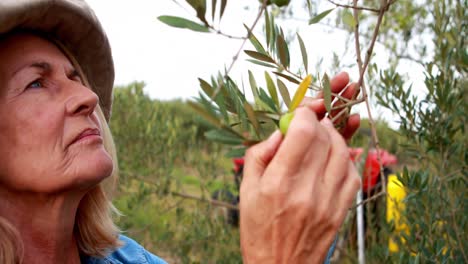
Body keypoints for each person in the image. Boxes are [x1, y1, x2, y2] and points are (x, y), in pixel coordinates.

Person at [0, 0, 361, 263]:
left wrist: (297, 210)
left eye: (75, 77)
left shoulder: (128, 259)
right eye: (36, 83)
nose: (88, 96)